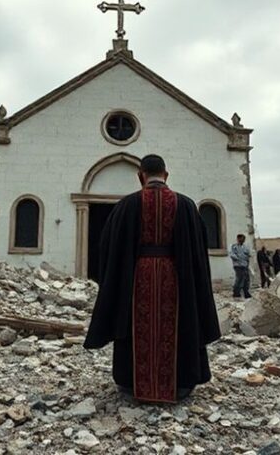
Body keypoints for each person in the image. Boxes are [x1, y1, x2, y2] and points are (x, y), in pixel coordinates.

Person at [84, 154, 220, 403]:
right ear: (166, 175)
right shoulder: (187, 205)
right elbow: (199, 252)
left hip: (137, 277)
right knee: (180, 319)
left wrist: (115, 278)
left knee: (136, 320)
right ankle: (180, 383)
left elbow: (107, 247)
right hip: (178, 278)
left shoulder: (127, 205)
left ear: (140, 176)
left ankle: (131, 383)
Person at [230, 234, 252, 298]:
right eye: (242, 238)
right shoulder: (234, 246)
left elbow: (248, 255)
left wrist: (246, 261)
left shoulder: (245, 247)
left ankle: (246, 292)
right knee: (239, 279)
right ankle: (236, 292)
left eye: (244, 239)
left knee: (246, 279)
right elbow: (232, 255)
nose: (243, 240)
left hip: (245, 265)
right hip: (238, 266)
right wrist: (239, 258)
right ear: (238, 239)